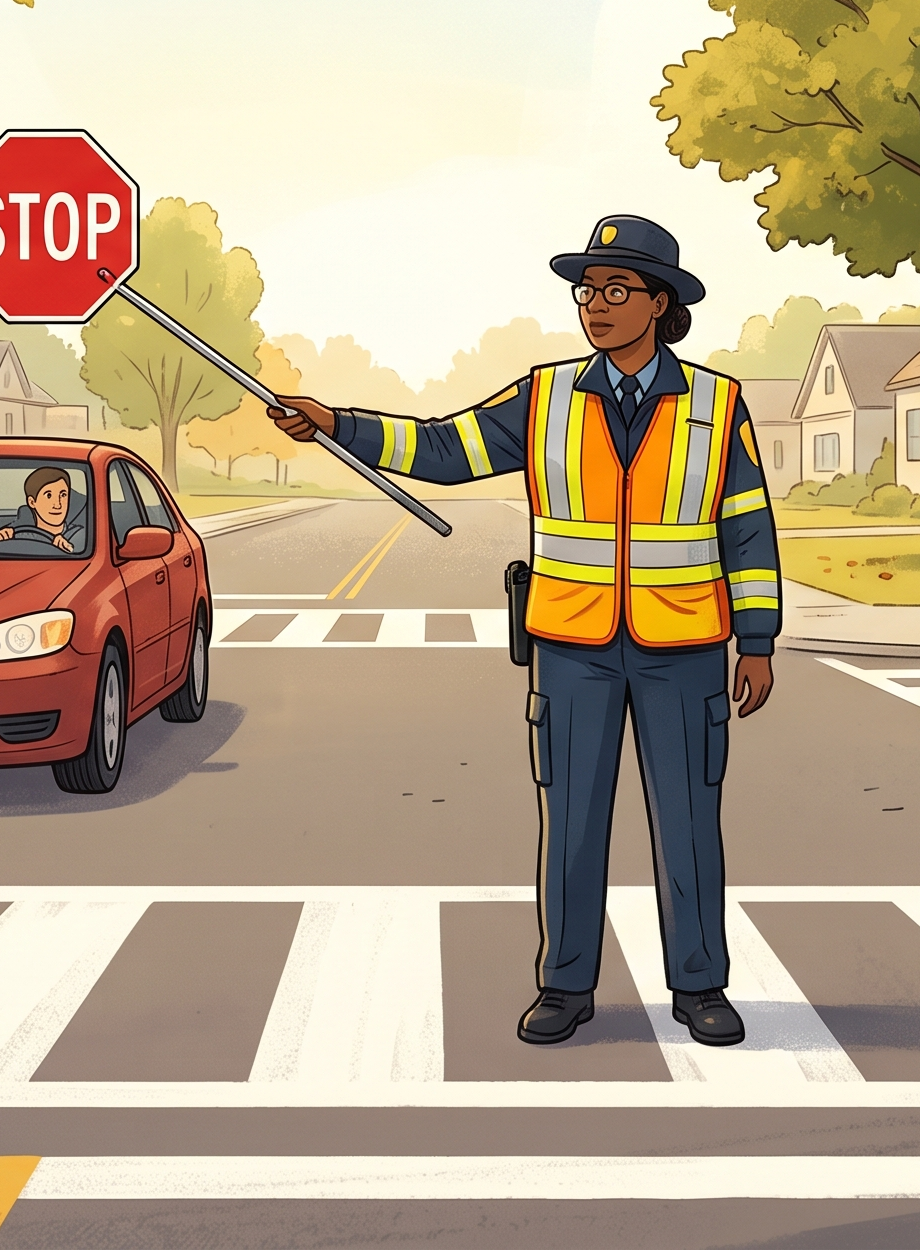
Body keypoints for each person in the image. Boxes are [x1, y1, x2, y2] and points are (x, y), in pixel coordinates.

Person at [270, 215, 781, 1048]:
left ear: (660, 303)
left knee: (690, 820)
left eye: (616, 289)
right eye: (587, 291)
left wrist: (756, 640)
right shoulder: (544, 397)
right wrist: (337, 422)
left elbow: (747, 524)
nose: (596, 305)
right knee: (571, 819)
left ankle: (699, 987)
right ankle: (566, 985)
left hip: (686, 647)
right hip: (572, 645)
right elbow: (444, 449)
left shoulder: (717, 404)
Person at [0, 466, 86, 554]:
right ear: (32, 502)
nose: (58, 505)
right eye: (48, 496)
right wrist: (0, 541)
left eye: (63, 495)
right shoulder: (18, 535)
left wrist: (70, 551)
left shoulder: (80, 536)